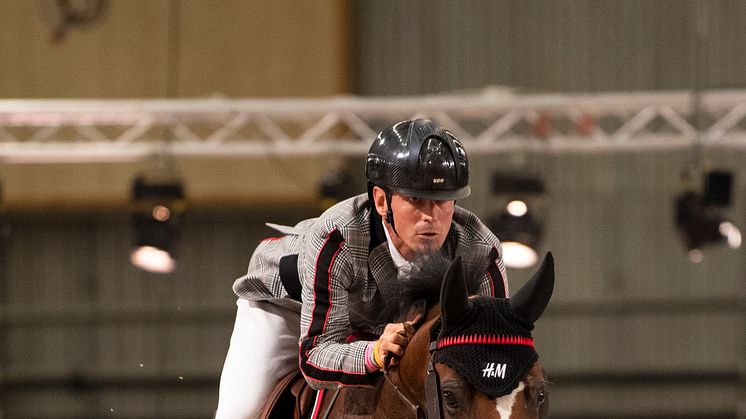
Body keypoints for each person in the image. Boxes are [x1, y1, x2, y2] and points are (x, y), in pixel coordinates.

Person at [215, 119, 508, 418]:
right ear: (382, 200)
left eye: (444, 201)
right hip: (287, 307)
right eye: (416, 199)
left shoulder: (481, 250)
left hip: (378, 318)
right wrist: (374, 353)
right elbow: (316, 357)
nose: (431, 217)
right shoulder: (338, 237)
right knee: (239, 411)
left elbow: (497, 350)